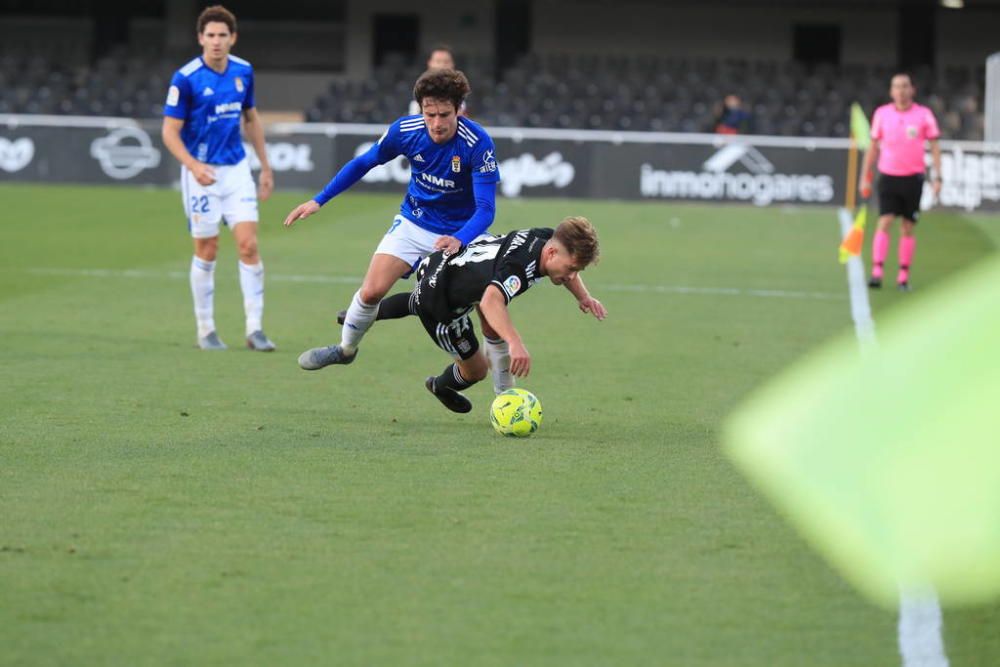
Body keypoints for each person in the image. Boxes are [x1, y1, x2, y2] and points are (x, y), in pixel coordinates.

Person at [283, 69, 515, 389]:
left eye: (444, 114)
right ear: (419, 109)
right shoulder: (405, 130)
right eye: (429, 114)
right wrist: (319, 200)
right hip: (414, 223)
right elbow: (363, 163)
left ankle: (505, 395)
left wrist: (459, 240)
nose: (436, 123)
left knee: (488, 309)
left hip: (464, 235)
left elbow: (486, 209)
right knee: (371, 291)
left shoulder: (477, 143)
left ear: (459, 110)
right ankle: (345, 348)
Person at [314, 217, 607, 413]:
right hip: (443, 302)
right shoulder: (519, 268)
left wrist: (584, 296)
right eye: (572, 269)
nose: (572, 275)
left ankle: (366, 315)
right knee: (476, 369)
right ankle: (439, 385)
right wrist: (516, 343)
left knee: (483, 324)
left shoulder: (545, 239)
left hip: (444, 261)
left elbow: (497, 293)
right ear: (554, 254)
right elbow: (492, 301)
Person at [161, 4, 275, 350]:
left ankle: (255, 329)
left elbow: (251, 119)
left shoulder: (243, 71)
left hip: (236, 168)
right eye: (209, 35)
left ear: (232, 38)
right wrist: (193, 166)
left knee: (248, 245)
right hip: (201, 172)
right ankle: (205, 329)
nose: (216, 41)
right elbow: (169, 131)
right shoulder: (186, 78)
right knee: (208, 248)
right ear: (200, 38)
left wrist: (265, 167)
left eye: (222, 35)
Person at [858, 73, 942, 291]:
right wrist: (864, 176)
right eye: (897, 86)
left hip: (913, 178)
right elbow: (873, 147)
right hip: (888, 176)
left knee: (907, 227)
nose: (901, 91)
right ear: (891, 91)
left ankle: (903, 276)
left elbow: (934, 146)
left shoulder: (924, 115)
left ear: (912, 90)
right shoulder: (882, 114)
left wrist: (938, 176)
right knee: (884, 221)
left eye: (905, 86)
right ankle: (877, 272)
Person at [407, 45, 466, 116]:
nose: (442, 65)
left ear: (452, 64)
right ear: (430, 63)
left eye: (446, 62)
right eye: (438, 61)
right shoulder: (417, 87)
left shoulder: (461, 89)